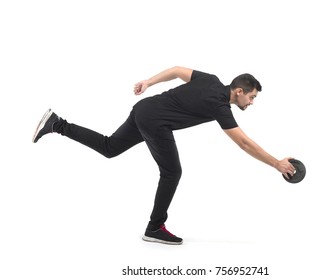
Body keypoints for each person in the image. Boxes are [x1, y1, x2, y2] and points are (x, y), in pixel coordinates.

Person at [32, 66, 296, 245]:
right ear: (239, 91)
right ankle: (155, 228)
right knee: (172, 172)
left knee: (110, 148)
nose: (251, 102)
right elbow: (244, 143)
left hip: (143, 109)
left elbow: (177, 70)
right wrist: (276, 163)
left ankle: (56, 124)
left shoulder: (211, 79)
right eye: (251, 97)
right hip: (155, 121)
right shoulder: (220, 105)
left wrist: (149, 82)